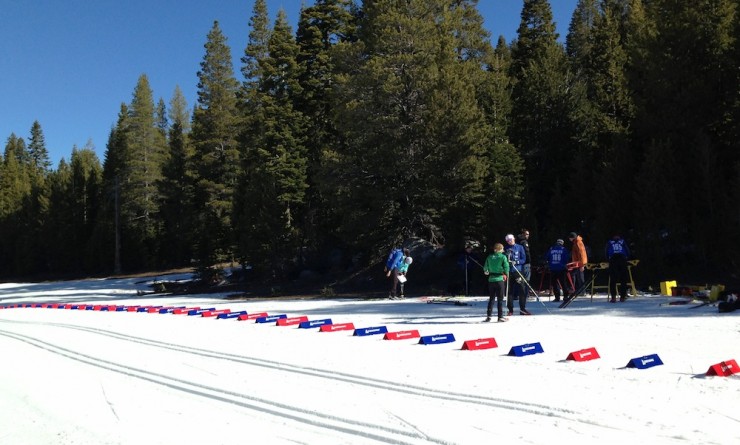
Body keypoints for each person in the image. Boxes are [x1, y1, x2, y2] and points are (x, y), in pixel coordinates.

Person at [504, 234, 531, 315]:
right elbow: (503, 259)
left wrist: (516, 262)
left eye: (511, 239)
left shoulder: (520, 247)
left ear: (514, 239)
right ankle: (510, 310)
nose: (510, 241)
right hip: (509, 271)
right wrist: (506, 257)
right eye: (508, 240)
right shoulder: (505, 248)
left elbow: (524, 259)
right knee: (509, 291)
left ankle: (522, 308)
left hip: (518, 271)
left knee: (522, 289)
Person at [483, 243, 510, 322]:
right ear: (499, 249)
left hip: (491, 279)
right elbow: (506, 267)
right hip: (499, 279)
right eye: (502, 249)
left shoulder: (489, 257)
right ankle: (500, 316)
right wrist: (507, 275)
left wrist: (486, 271)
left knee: (491, 298)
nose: (503, 250)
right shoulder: (502, 257)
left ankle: (489, 316)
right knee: (500, 299)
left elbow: (485, 268)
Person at [605, 233, 630, 302]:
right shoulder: (622, 242)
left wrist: (608, 260)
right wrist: (627, 258)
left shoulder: (610, 242)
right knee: (623, 279)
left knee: (613, 279)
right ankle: (622, 296)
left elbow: (606, 252)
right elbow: (627, 251)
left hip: (613, 259)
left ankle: (614, 297)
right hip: (622, 259)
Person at [568, 232, 588, 296]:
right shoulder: (575, 242)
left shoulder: (578, 243)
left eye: (570, 238)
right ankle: (575, 289)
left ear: (572, 237)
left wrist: (582, 265)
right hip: (576, 263)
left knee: (580, 278)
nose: (569, 239)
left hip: (579, 263)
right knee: (574, 275)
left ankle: (583, 291)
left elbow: (581, 254)